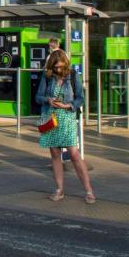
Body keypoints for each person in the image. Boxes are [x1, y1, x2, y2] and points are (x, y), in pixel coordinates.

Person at [36, 48, 94, 204]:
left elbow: (81, 98)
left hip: (67, 117)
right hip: (51, 117)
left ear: (66, 64)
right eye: (55, 67)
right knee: (55, 154)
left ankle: (88, 190)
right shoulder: (47, 76)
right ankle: (59, 189)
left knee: (74, 154)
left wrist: (69, 106)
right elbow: (38, 96)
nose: (58, 70)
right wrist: (48, 100)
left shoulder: (73, 75)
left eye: (61, 67)